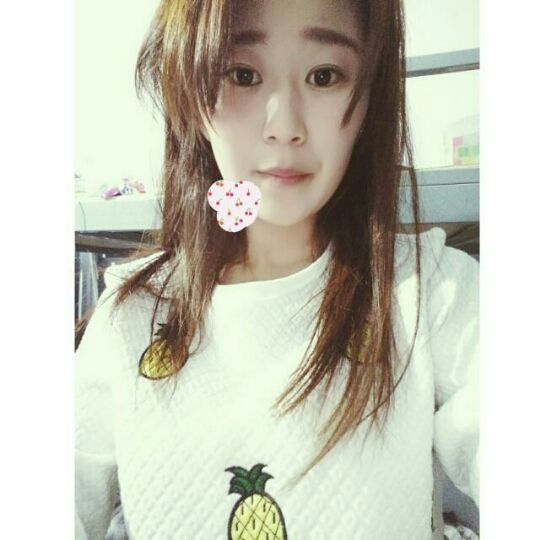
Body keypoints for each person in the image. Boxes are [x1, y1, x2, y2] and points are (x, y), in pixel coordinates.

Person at [75, 0, 479, 539]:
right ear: (191, 96)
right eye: (243, 75)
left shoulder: (429, 290)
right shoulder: (132, 313)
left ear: (368, 102)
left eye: (324, 75)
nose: (284, 126)